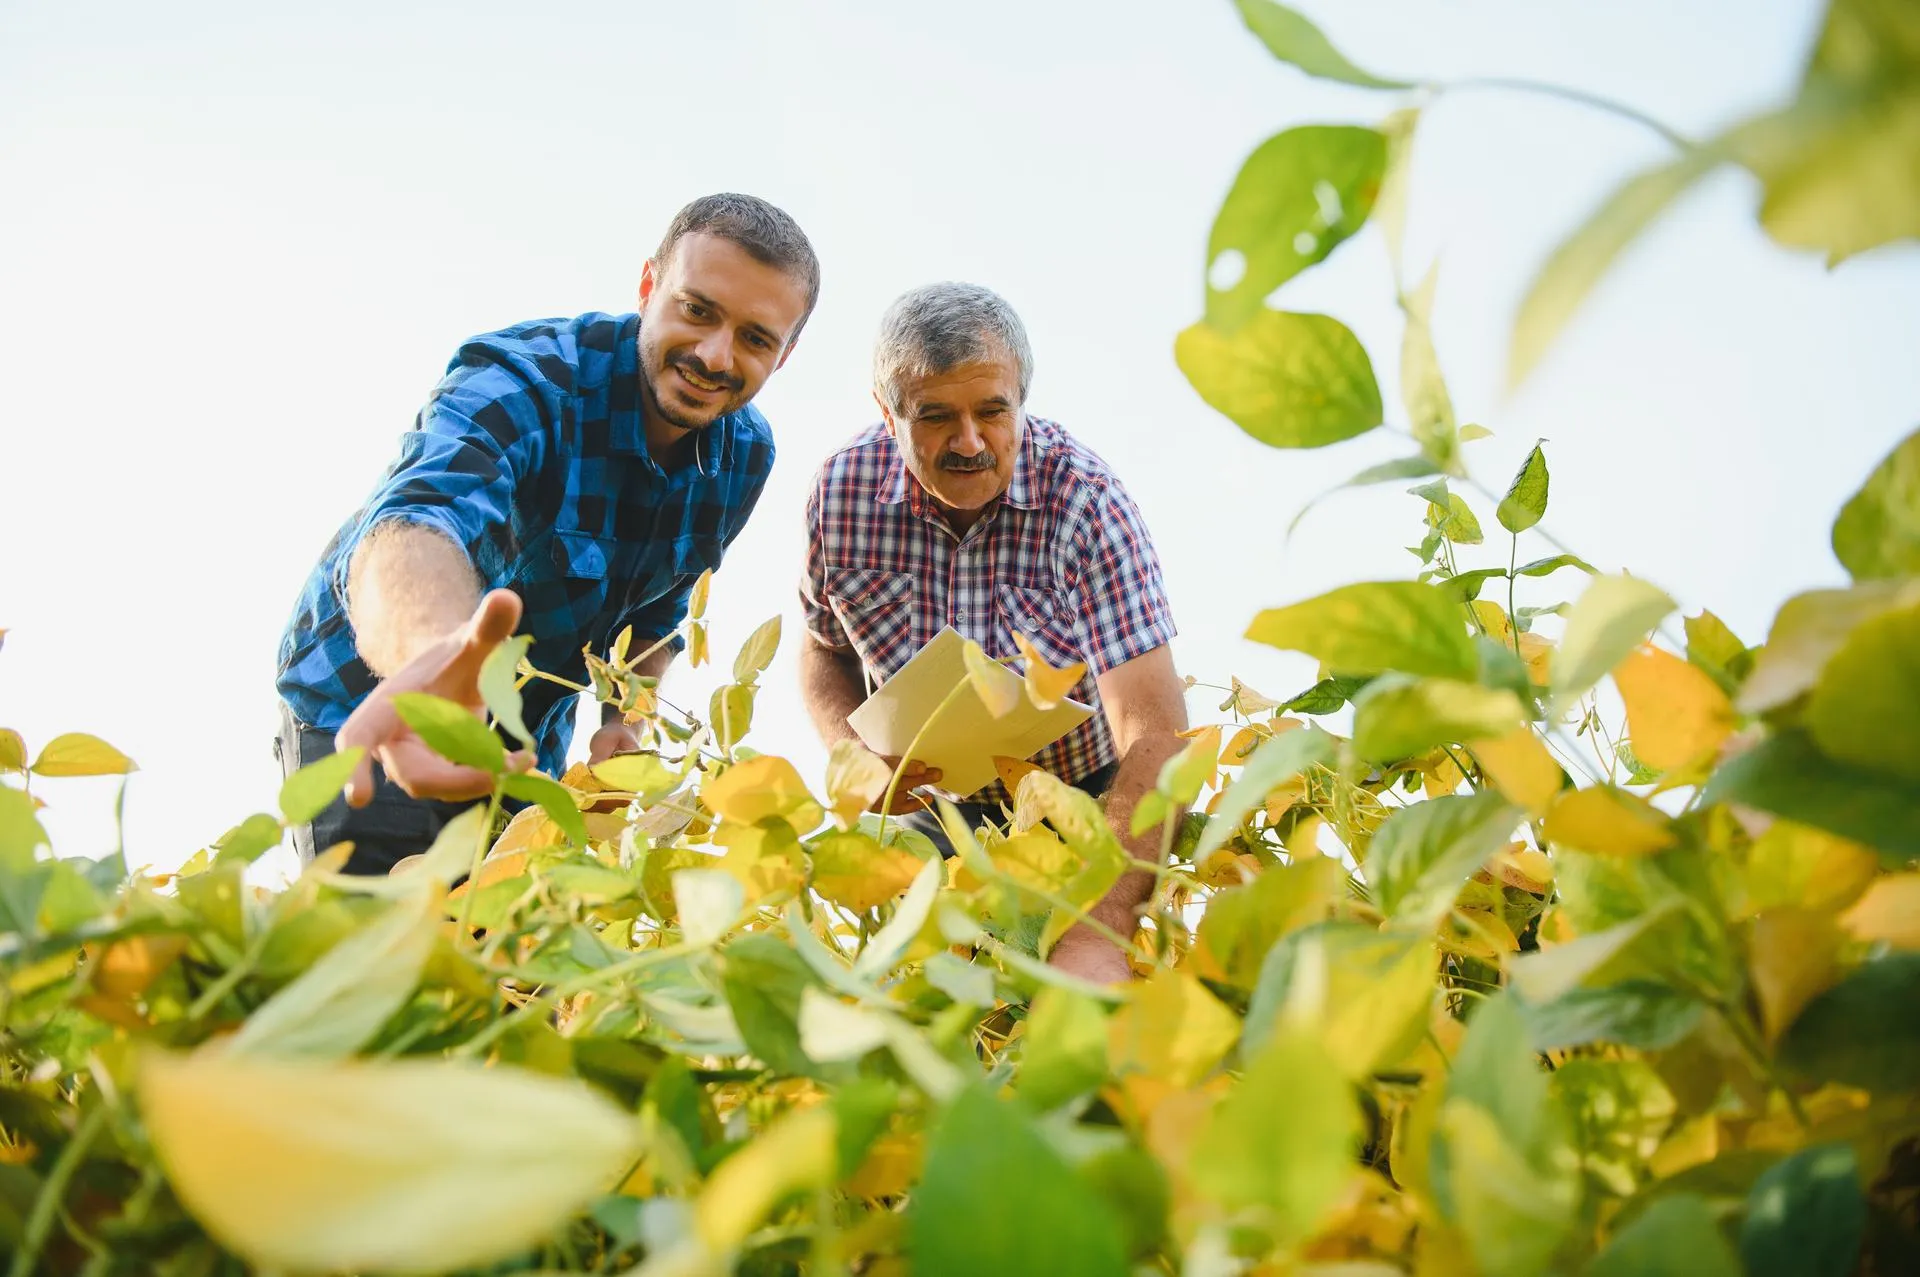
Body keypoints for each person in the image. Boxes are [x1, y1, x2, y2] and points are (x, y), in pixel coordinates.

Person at [276, 193, 818, 874]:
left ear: (786, 353)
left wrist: (627, 721)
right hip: (380, 713)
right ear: (649, 286)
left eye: (754, 338)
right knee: (385, 963)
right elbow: (419, 520)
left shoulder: (744, 456)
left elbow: (656, 614)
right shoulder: (527, 380)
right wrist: (435, 663)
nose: (715, 355)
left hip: (526, 759)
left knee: (512, 978)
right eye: (698, 309)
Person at [798, 282, 1189, 984]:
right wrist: (850, 754)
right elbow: (823, 649)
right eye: (936, 416)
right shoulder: (840, 494)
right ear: (887, 414)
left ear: (1021, 399)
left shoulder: (1085, 501)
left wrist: (1103, 925)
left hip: (1090, 802)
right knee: (901, 1001)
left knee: (1072, 999)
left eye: (992, 411)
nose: (970, 442)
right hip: (932, 810)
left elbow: (1155, 729)